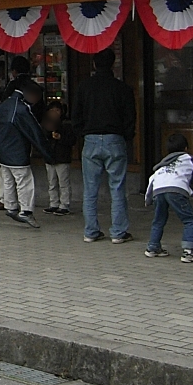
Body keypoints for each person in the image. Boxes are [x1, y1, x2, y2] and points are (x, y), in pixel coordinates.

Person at [72, 48, 136, 244]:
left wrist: (82, 133)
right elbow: (130, 118)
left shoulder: (84, 87)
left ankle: (91, 231)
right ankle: (118, 232)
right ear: (113, 64)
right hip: (115, 138)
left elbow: (76, 116)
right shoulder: (122, 88)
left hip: (90, 139)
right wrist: (126, 136)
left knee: (90, 189)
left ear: (94, 64)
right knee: (117, 187)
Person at [0, 78, 52, 228]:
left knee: (7, 179)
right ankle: (26, 211)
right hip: (17, 150)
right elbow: (35, 132)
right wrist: (47, 152)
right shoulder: (21, 108)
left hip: (2, 150)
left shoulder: (3, 105)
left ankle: (10, 206)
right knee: (24, 181)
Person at [144, 133, 193, 263]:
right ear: (186, 148)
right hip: (176, 190)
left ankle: (153, 247)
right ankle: (188, 252)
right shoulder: (188, 159)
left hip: (158, 190)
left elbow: (152, 180)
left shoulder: (162, 164)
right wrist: (191, 187)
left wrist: (148, 199)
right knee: (190, 220)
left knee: (159, 219)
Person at [41, 102, 75, 215]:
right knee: (52, 182)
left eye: (57, 110)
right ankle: (53, 203)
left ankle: (65, 205)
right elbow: (42, 137)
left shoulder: (66, 123)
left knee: (63, 183)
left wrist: (60, 137)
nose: (55, 113)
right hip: (50, 157)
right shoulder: (46, 122)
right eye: (52, 110)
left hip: (62, 157)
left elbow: (72, 140)